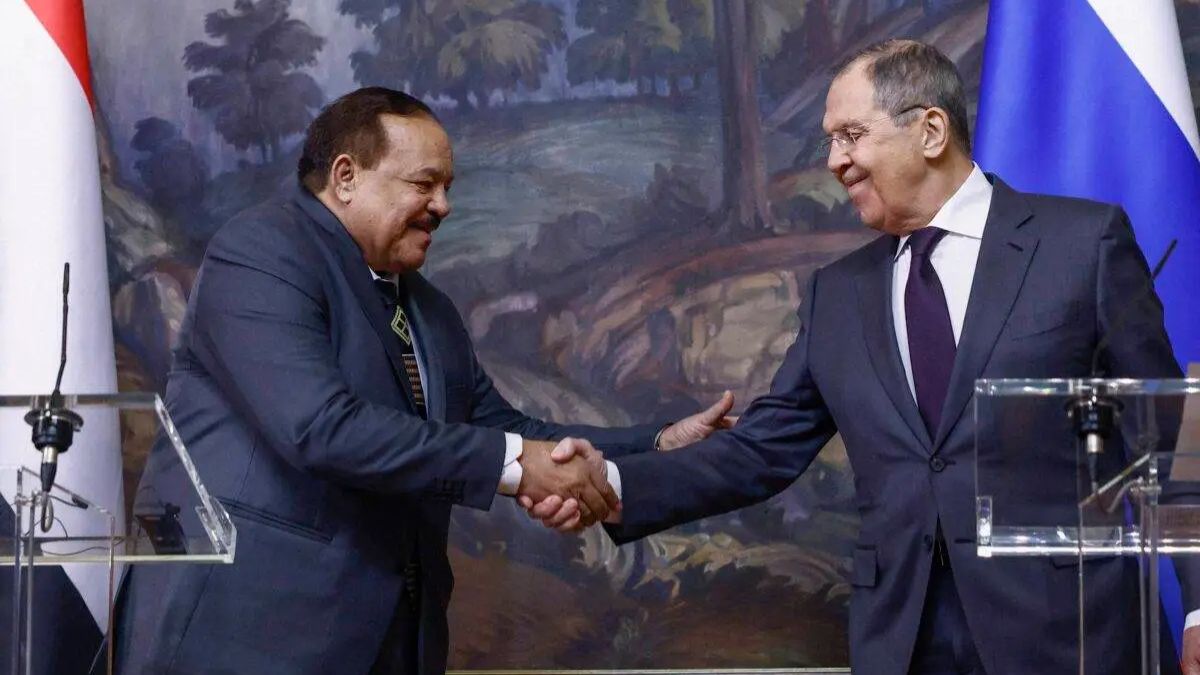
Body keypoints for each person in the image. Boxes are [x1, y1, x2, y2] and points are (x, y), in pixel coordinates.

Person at [528, 40, 1197, 674]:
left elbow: (1166, 440)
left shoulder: (1081, 243)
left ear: (930, 132)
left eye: (851, 135)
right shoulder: (838, 295)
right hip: (902, 640)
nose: (833, 160)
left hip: (1072, 635)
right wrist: (614, 485)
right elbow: (761, 449)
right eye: (829, 141)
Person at [113, 87, 734, 675]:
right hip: (246, 637)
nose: (444, 205)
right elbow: (320, 428)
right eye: (423, 183)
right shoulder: (261, 252)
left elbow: (508, 432)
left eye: (447, 186)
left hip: (392, 642)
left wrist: (654, 446)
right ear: (345, 176)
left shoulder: (428, 308)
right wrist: (521, 466)